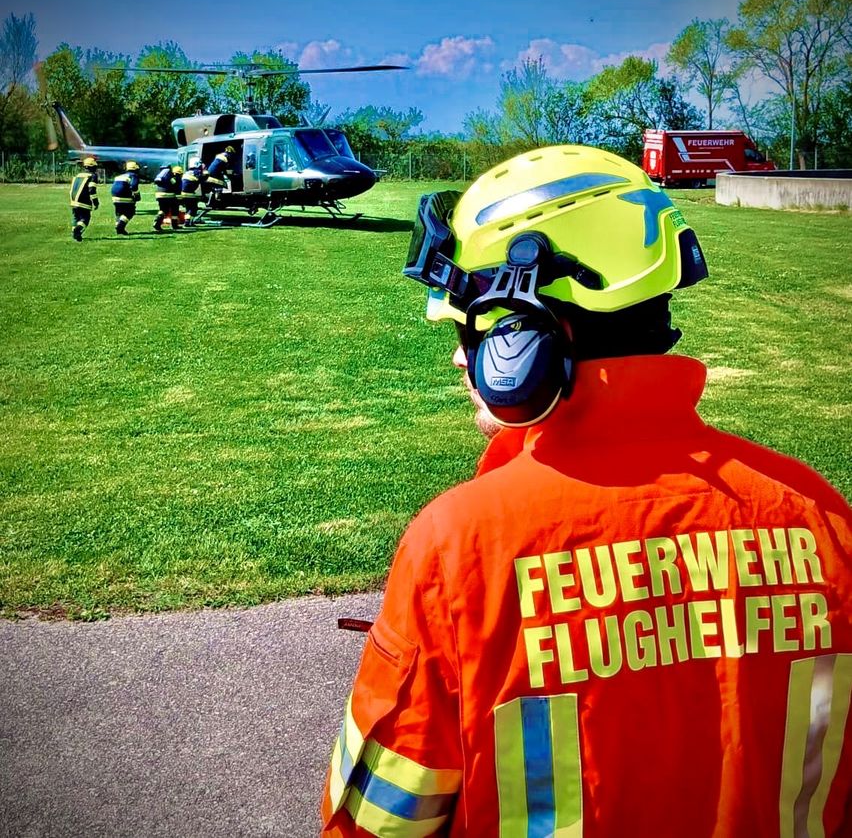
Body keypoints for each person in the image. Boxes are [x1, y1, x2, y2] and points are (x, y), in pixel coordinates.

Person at [321, 145, 852, 837]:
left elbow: (378, 823)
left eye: (471, 329)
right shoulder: (820, 513)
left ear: (525, 340)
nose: (459, 355)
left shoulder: (459, 547)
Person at [69, 156, 99, 241]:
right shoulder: (93, 176)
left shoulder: (78, 175)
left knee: (76, 218)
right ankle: (77, 230)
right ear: (93, 167)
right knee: (85, 218)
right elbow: (92, 189)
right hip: (83, 201)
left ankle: (75, 234)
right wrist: (95, 202)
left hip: (73, 201)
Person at [110, 160, 141, 235]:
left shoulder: (119, 176)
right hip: (125, 196)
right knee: (130, 212)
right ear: (136, 169)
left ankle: (118, 227)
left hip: (114, 197)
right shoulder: (134, 175)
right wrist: (137, 195)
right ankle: (120, 226)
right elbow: (134, 186)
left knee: (119, 213)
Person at [153, 163, 182, 232]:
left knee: (163, 209)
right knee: (174, 209)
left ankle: (157, 223)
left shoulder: (161, 176)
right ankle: (175, 225)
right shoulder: (174, 177)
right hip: (169, 195)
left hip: (159, 195)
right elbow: (177, 188)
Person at [180, 158, 206, 226]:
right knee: (193, 208)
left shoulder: (187, 172)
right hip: (189, 193)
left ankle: (187, 221)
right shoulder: (197, 172)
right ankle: (188, 221)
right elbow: (203, 179)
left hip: (182, 193)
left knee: (188, 208)